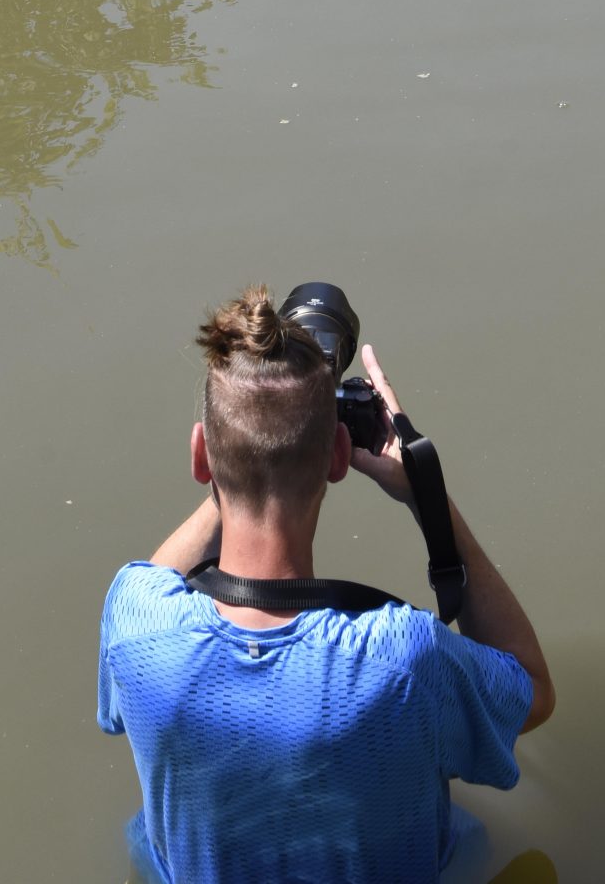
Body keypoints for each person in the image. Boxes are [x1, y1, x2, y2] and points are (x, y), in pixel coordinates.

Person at [97, 286, 554, 884]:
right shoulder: (401, 661)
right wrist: (429, 497)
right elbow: (534, 692)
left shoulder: (135, 626)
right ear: (340, 456)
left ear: (201, 456)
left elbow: (157, 581)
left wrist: (248, 451)